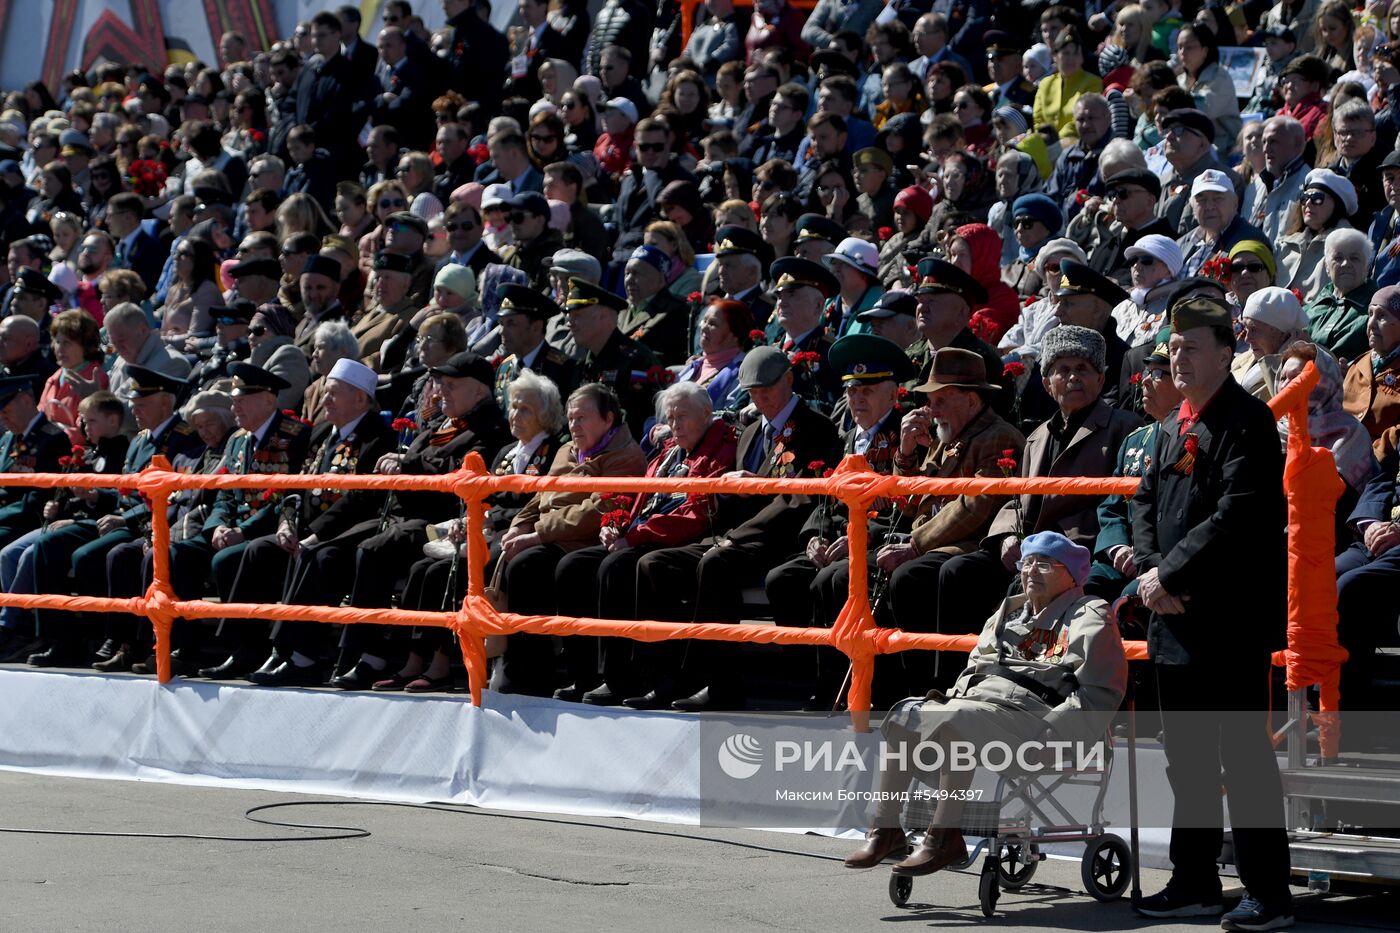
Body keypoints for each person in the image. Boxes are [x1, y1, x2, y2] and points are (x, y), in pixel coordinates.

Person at [1131, 296, 1293, 931]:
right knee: (1187, 757)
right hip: (1173, 618)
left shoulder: (1247, 422)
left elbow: (1239, 515)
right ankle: (1194, 879)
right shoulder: (1174, 424)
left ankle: (1268, 893)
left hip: (1227, 618)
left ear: (1227, 354)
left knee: (1243, 758)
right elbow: (1146, 500)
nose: (1179, 357)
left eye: (1192, 347)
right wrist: (1150, 574)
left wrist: (1168, 575)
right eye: (1174, 348)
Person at [843, 531, 1127, 874]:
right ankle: (885, 829)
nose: (1032, 571)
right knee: (905, 714)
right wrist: (955, 700)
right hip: (981, 707)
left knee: (957, 720)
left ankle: (943, 837)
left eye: (1046, 564)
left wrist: (1052, 736)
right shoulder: (1010, 611)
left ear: (1071, 574)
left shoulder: (1089, 614)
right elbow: (975, 668)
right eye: (1028, 563)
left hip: (1033, 718)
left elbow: (1099, 692)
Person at [1342, 285, 1400, 456]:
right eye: (1370, 314)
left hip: (1379, 468)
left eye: (1382, 315)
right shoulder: (1359, 364)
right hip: (1337, 457)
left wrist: (1373, 456)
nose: (1372, 323)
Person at [1232, 286, 1311, 401]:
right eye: (1246, 329)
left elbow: (1285, 406)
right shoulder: (1244, 358)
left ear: (1285, 333)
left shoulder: (1311, 365)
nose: (1247, 339)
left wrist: (1280, 358)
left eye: (1254, 329)